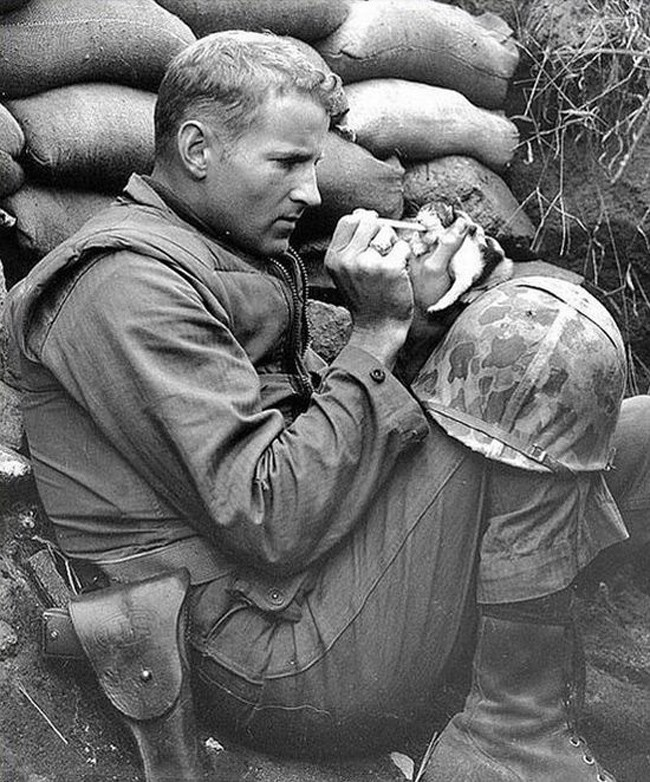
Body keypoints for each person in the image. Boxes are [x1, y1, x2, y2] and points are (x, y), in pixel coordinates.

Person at [4, 30, 650, 782]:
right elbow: (272, 519)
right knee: (540, 348)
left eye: (313, 163)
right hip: (268, 654)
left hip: (321, 587)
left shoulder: (221, 256)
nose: (312, 192)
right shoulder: (121, 288)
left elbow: (323, 448)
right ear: (197, 148)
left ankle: (571, 677)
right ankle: (509, 738)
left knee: (639, 434)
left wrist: (418, 330)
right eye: (286, 162)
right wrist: (377, 331)